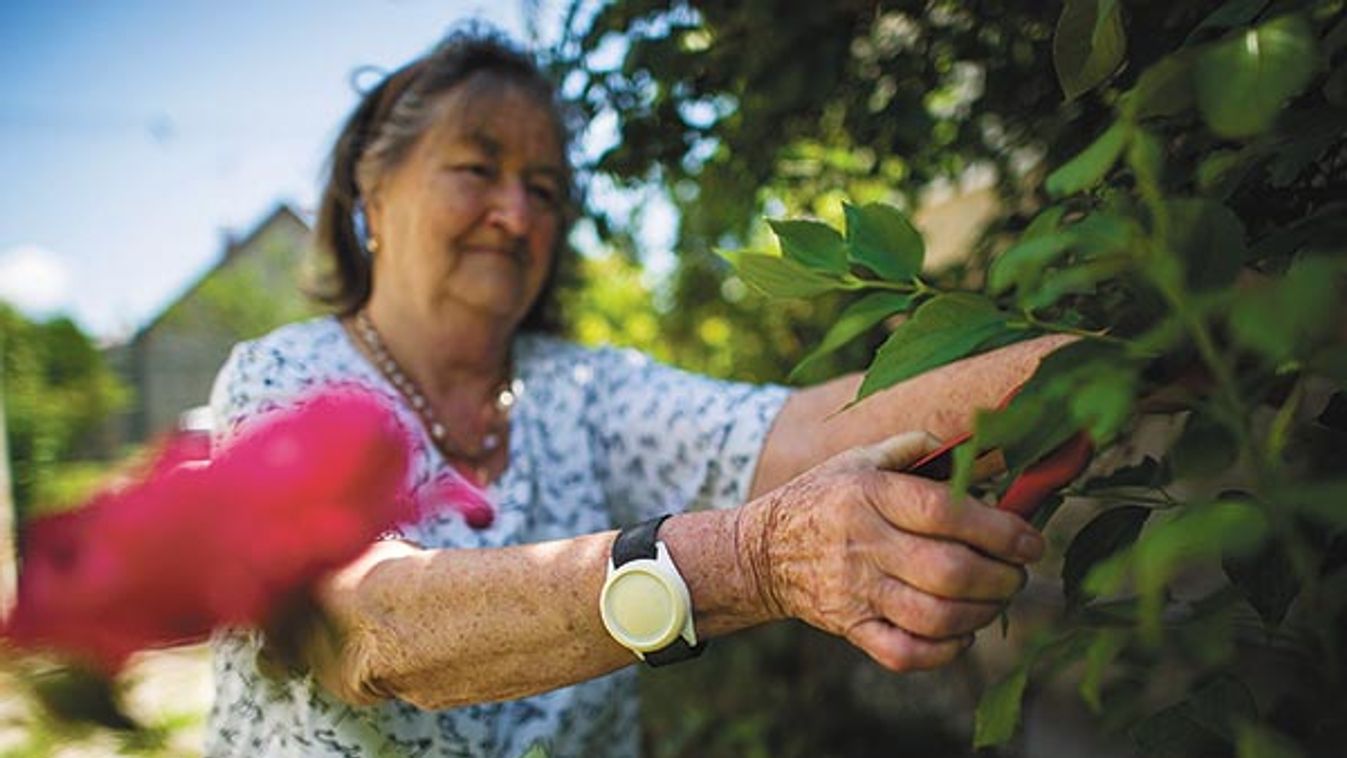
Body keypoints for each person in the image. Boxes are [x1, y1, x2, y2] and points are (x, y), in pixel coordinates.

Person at [205, 25, 1067, 758]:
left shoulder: (581, 388)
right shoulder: (286, 382)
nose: (516, 212)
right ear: (370, 186)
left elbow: (805, 431)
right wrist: (746, 564)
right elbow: (364, 624)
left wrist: (1107, 360)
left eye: (544, 189)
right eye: (477, 168)